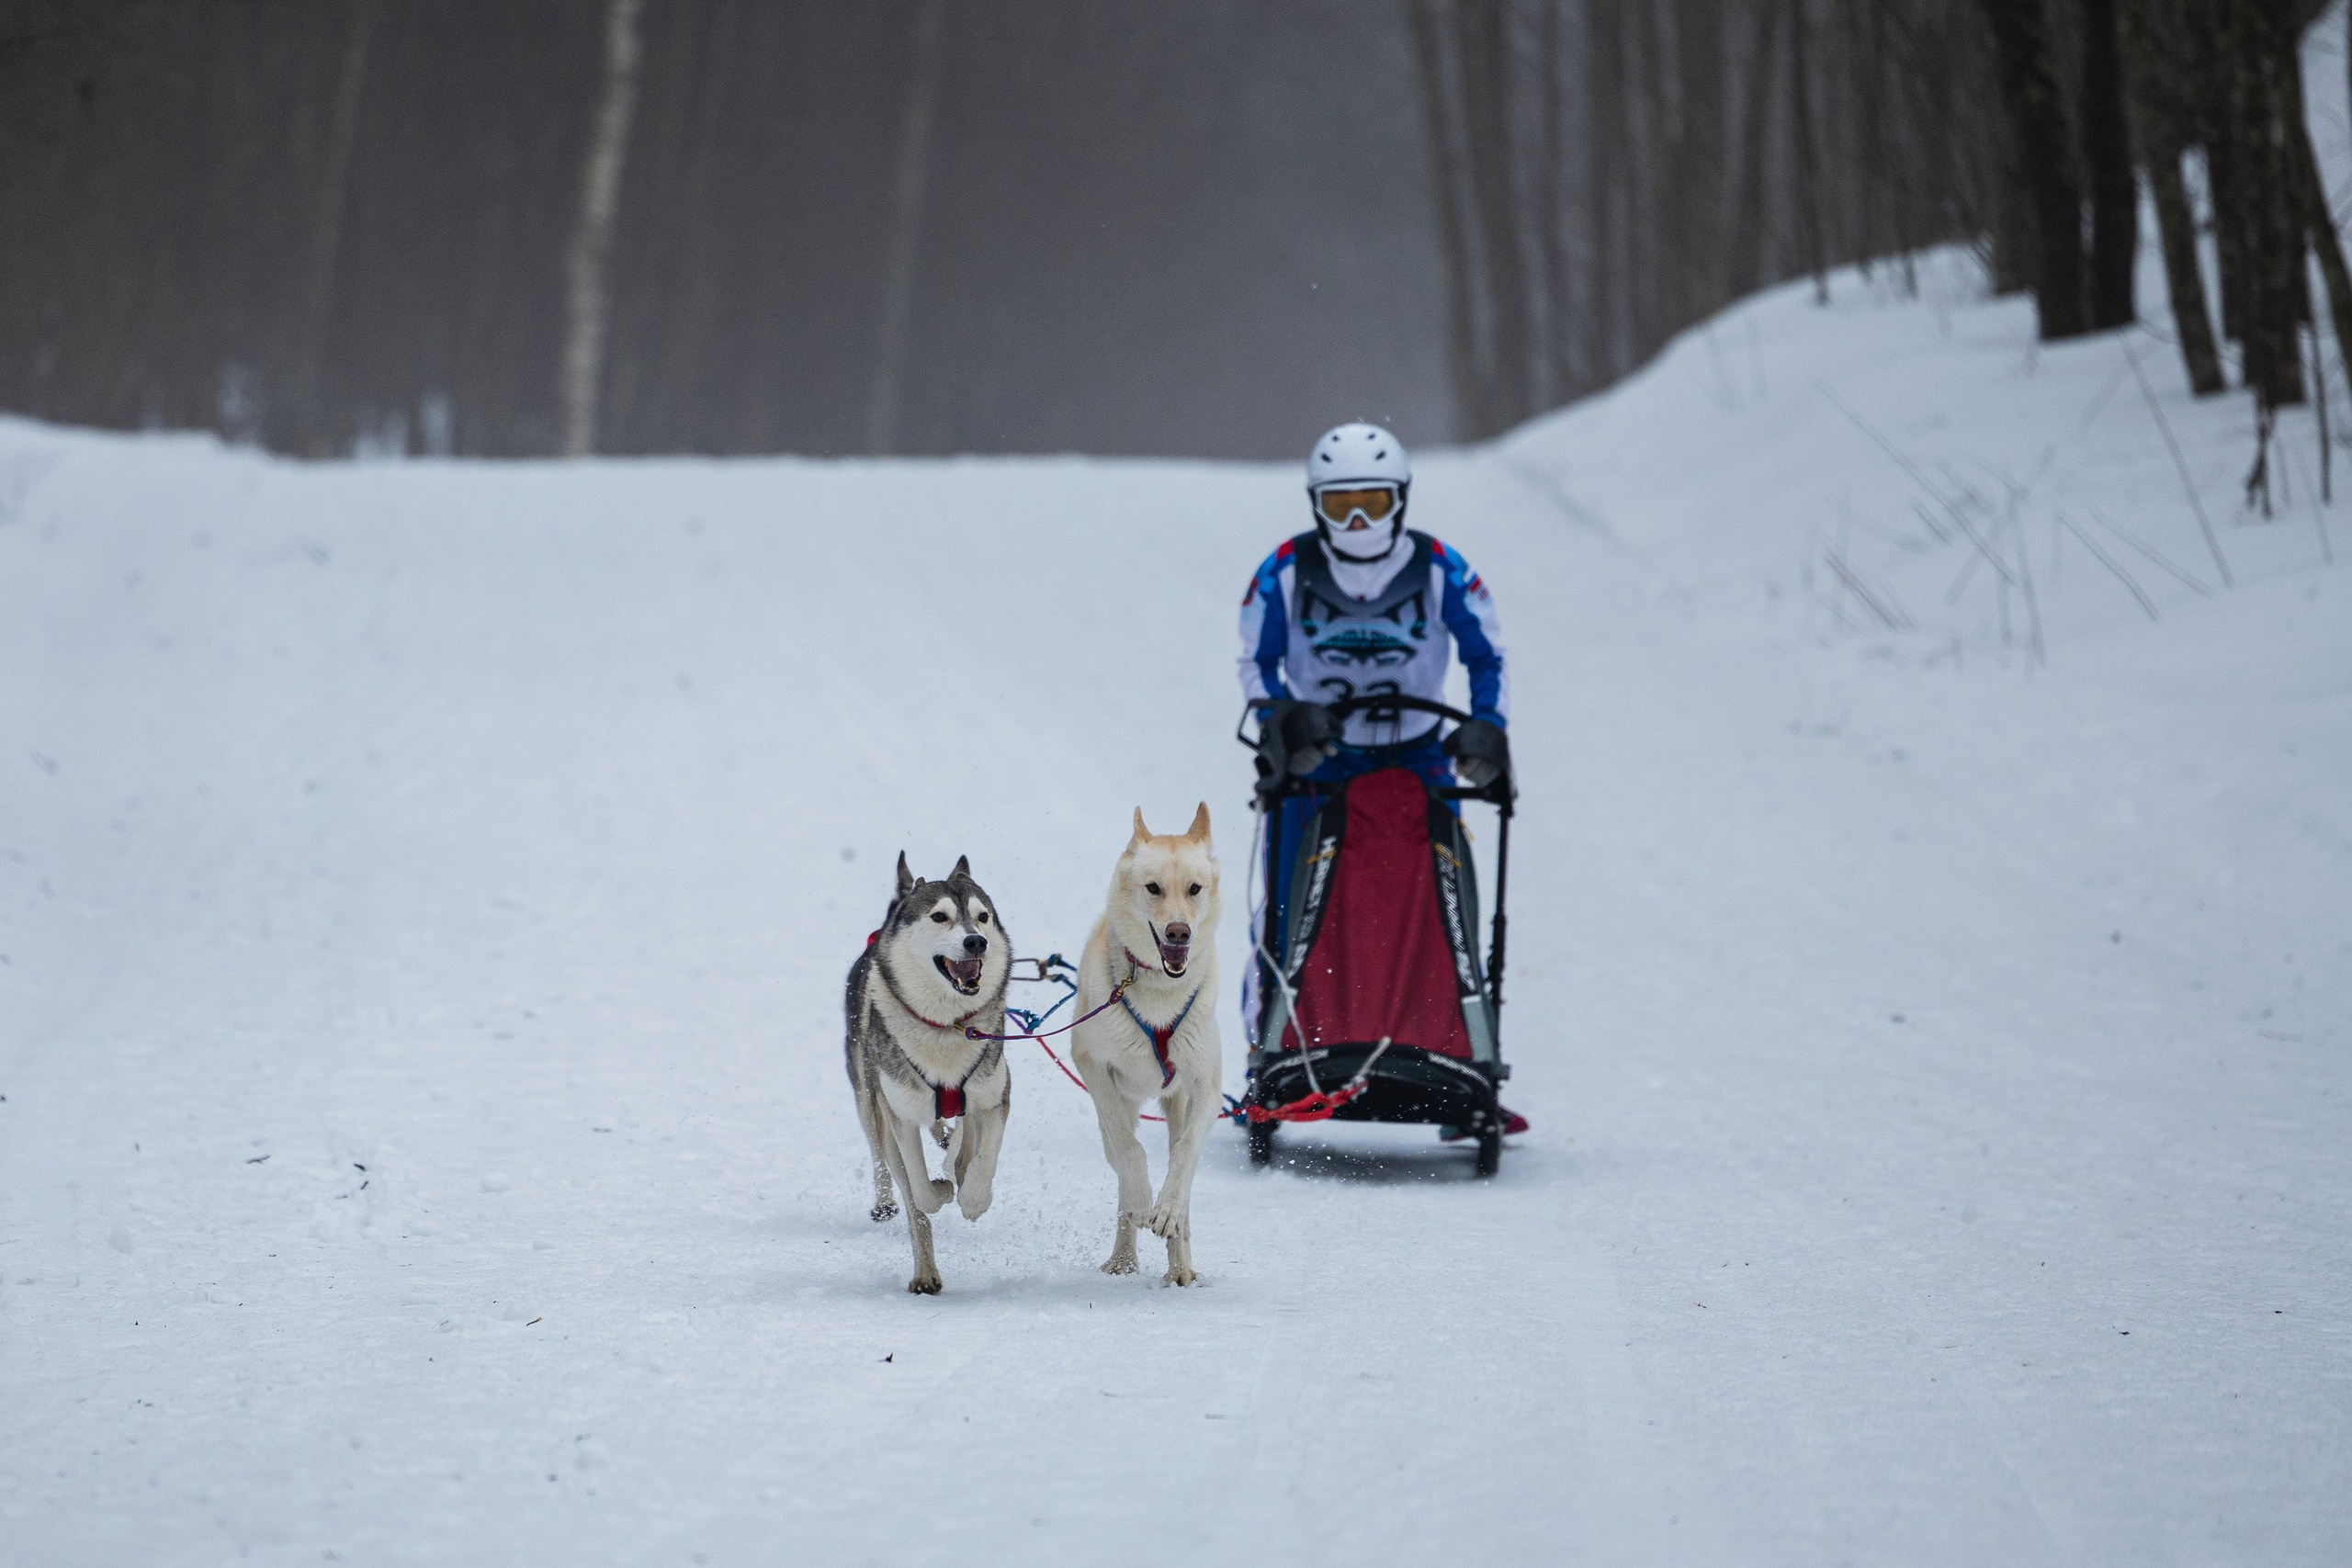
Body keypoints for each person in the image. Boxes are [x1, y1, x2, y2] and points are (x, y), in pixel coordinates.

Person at [1236, 422, 1523, 1134]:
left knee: (1443, 898)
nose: (1359, 520)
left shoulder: (1440, 566)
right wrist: (1280, 719)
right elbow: (1254, 660)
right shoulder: (1282, 570)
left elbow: (1488, 655)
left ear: (1401, 500)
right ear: (1315, 506)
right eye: (1341, 505)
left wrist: (1486, 726)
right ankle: (1267, 1050)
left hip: (1420, 757)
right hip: (1318, 762)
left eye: (1371, 501)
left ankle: (1461, 1051)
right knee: (1286, 903)